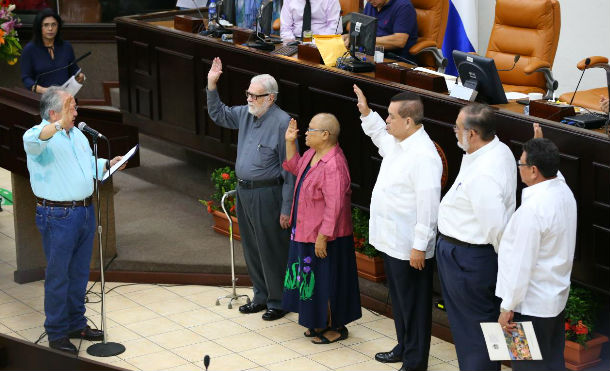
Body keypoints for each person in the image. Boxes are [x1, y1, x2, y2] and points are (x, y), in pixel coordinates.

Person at [22, 87, 125, 354]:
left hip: (84, 211)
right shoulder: (38, 136)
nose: (76, 112)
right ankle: (56, 333)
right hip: (57, 216)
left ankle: (76, 323)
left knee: (79, 273)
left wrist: (107, 164)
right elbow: (35, 140)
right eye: (71, 107)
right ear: (54, 112)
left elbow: (87, 163)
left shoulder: (77, 134)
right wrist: (57, 126)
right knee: (59, 276)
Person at [353, 85, 442, 371]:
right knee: (401, 303)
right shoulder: (399, 142)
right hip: (391, 240)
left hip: (409, 246)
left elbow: (429, 207)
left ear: (408, 121)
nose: (387, 120)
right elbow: (379, 134)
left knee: (414, 307)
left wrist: (420, 245)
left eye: (391, 116)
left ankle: (416, 362)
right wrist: (367, 112)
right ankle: (403, 347)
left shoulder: (424, 155)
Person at [206, 57, 296, 321]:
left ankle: (279, 301)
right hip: (244, 191)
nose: (249, 99)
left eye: (255, 96)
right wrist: (212, 84)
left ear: (270, 98)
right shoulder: (247, 113)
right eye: (248, 94)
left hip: (268, 192)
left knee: (270, 247)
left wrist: (287, 207)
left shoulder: (282, 122)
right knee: (252, 247)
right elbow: (219, 114)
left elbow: (291, 168)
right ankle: (260, 296)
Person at [436, 103, 517, 371]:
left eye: (457, 128)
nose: (454, 132)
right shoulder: (497, 148)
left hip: (468, 258)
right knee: (482, 331)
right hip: (471, 255)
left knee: (473, 333)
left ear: (472, 133)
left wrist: (501, 262)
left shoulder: (485, 172)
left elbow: (495, 226)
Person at [497, 124, 576, 371]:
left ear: (533, 171)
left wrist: (506, 308)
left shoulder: (531, 211)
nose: (518, 168)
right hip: (553, 303)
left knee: (525, 367)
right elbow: (554, 174)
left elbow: (521, 265)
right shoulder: (564, 191)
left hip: (528, 307)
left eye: (521, 164)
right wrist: (539, 144)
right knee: (553, 365)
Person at [282, 113, 361, 343]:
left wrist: (323, 236)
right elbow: (294, 167)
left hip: (327, 236)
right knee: (310, 280)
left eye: (311, 129)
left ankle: (333, 327)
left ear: (325, 135)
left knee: (326, 282)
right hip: (305, 231)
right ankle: (316, 322)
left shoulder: (334, 164)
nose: (306, 133)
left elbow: (334, 206)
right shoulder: (311, 154)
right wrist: (289, 142)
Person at [20, 8, 85, 94]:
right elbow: (26, 78)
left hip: (64, 98)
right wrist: (45, 90)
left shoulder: (66, 46)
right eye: (46, 25)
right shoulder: (30, 49)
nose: (50, 28)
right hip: (41, 99)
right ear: (39, 27)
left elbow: (73, 69)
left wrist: (80, 76)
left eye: (54, 24)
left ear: (58, 26)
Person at [344, 0, 418, 61]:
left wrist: (362, 40)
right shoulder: (371, 4)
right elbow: (364, 30)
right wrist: (351, 36)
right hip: (369, 55)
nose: (368, 0)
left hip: (393, 59)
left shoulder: (404, 7)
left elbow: (399, 41)